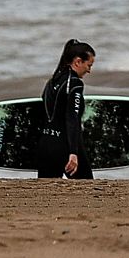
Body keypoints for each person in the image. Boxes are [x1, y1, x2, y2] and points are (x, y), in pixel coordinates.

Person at [37, 38, 95, 179]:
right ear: (78, 62)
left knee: (46, 194)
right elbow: (72, 118)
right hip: (64, 146)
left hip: (46, 145)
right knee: (87, 189)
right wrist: (73, 153)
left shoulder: (52, 81)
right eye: (89, 65)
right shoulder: (75, 84)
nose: (89, 70)